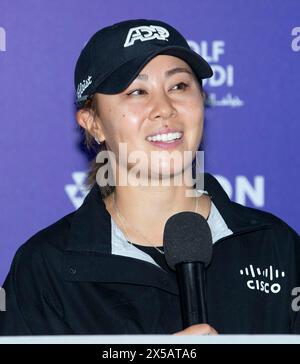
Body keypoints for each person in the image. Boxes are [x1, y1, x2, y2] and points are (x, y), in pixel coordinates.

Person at [0, 19, 299, 336]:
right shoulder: (46, 268)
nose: (164, 108)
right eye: (137, 91)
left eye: (179, 86)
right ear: (93, 123)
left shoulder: (274, 246)